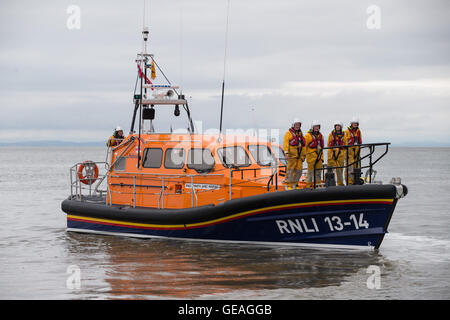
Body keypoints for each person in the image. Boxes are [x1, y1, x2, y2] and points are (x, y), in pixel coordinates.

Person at [283, 119, 306, 190]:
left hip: (299, 155)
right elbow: (286, 144)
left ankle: (295, 184)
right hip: (292, 156)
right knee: (290, 169)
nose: (297, 126)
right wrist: (286, 153)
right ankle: (288, 184)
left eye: (298, 125)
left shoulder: (300, 134)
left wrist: (303, 155)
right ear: (293, 125)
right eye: (296, 124)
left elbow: (303, 145)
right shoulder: (288, 133)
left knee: (299, 170)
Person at [304, 121, 324, 188]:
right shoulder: (307, 136)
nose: (317, 128)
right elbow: (304, 147)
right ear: (312, 127)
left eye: (318, 127)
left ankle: (317, 185)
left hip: (319, 157)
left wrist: (322, 158)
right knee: (310, 173)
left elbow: (322, 148)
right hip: (311, 158)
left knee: (318, 173)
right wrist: (304, 156)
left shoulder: (321, 136)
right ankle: (308, 186)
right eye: (315, 126)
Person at [344, 118, 362, 185]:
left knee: (357, 167)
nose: (355, 125)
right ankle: (349, 183)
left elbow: (360, 141)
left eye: (356, 123)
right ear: (351, 124)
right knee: (350, 168)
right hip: (349, 152)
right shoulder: (347, 132)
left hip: (356, 152)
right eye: (354, 123)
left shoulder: (358, 132)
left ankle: (356, 181)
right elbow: (345, 142)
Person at [327, 121, 345, 186]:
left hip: (340, 155)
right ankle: (328, 182)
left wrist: (343, 154)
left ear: (341, 127)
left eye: (338, 126)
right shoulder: (331, 135)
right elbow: (328, 145)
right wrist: (330, 154)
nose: (337, 127)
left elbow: (346, 145)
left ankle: (340, 184)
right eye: (336, 126)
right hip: (332, 154)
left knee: (340, 170)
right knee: (330, 170)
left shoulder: (344, 135)